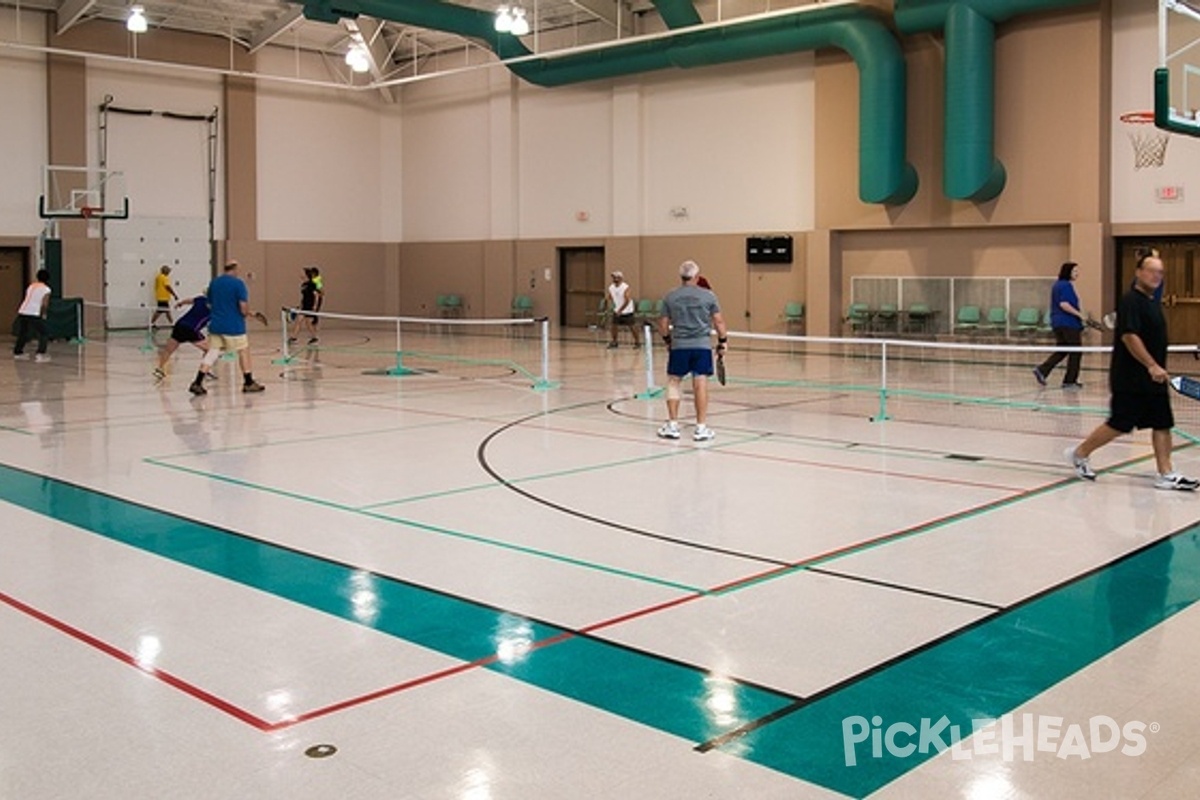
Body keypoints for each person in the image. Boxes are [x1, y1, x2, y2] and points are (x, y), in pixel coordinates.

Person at [1066, 253, 1198, 490]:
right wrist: (1151, 365)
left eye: (1160, 272)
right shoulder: (1131, 301)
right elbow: (1129, 336)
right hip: (1131, 379)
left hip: (1153, 378)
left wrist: (1157, 368)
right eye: (1151, 270)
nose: (1156, 275)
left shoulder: (1151, 302)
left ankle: (1166, 473)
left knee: (1162, 422)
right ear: (1138, 273)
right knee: (1119, 424)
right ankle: (1079, 453)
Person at [657, 260, 728, 442]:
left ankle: (672, 425)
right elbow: (719, 322)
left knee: (674, 383)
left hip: (679, 346)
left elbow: (663, 324)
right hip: (702, 347)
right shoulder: (709, 296)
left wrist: (667, 340)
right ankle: (701, 428)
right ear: (696, 277)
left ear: (681, 277)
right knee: (700, 384)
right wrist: (723, 341)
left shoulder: (670, 296)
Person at [188, 260, 264, 395]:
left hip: (216, 325)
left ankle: (197, 382)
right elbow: (243, 307)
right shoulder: (238, 284)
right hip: (233, 326)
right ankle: (248, 382)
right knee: (243, 351)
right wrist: (246, 313)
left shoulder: (214, 282)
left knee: (213, 352)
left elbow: (209, 304)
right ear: (235, 269)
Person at [1033, 262, 1086, 389]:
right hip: (1068, 324)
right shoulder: (1066, 285)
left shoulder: (1057, 285)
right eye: (1074, 271)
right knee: (1076, 352)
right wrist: (1079, 315)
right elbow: (1064, 304)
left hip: (1057, 323)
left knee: (1062, 350)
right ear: (1067, 272)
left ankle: (1042, 370)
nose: (1077, 273)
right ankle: (1069, 381)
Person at [154, 293, 211, 382]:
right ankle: (204, 371)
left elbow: (189, 300)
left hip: (179, 325)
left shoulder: (200, 299)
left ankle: (159, 369)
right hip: (191, 329)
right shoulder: (215, 309)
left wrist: (180, 303)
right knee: (209, 350)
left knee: (168, 350)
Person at [13, 269, 52, 362]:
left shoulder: (31, 286)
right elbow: (44, 304)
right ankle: (41, 353)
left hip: (23, 311)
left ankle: (18, 352)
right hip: (34, 312)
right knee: (44, 333)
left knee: (23, 332)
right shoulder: (46, 289)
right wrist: (43, 314)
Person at [288, 266, 323, 345]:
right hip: (304, 305)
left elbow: (316, 295)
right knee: (299, 321)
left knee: (308, 323)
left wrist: (315, 306)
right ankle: (294, 338)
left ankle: (314, 337)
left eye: (302, 273)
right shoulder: (303, 285)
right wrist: (300, 305)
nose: (301, 274)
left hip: (310, 306)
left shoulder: (312, 284)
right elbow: (303, 296)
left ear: (306, 275)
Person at [606, 270, 637, 349]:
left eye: (616, 277)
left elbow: (627, 300)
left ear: (620, 278)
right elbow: (610, 296)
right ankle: (614, 342)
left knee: (632, 326)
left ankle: (637, 342)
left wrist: (621, 310)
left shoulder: (625, 287)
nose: (614, 279)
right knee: (614, 326)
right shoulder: (611, 287)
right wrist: (611, 303)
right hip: (617, 310)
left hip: (627, 310)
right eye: (613, 277)